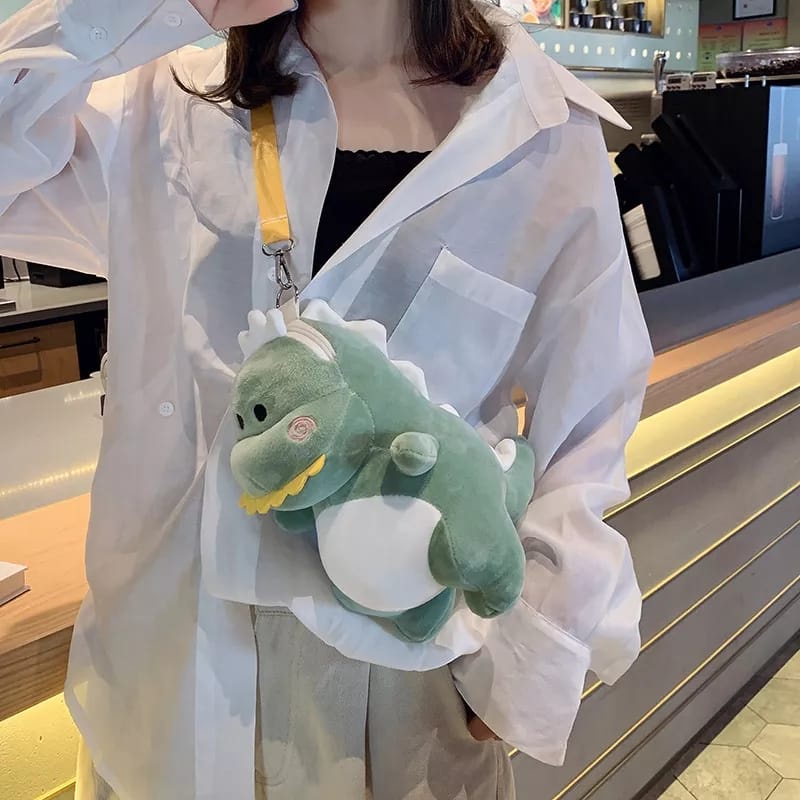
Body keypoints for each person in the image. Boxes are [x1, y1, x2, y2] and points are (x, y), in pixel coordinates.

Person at [0, 0, 653, 798]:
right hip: (169, 677)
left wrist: (518, 665)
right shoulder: (158, 107)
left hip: (407, 684)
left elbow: (590, 420)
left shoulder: (541, 131)